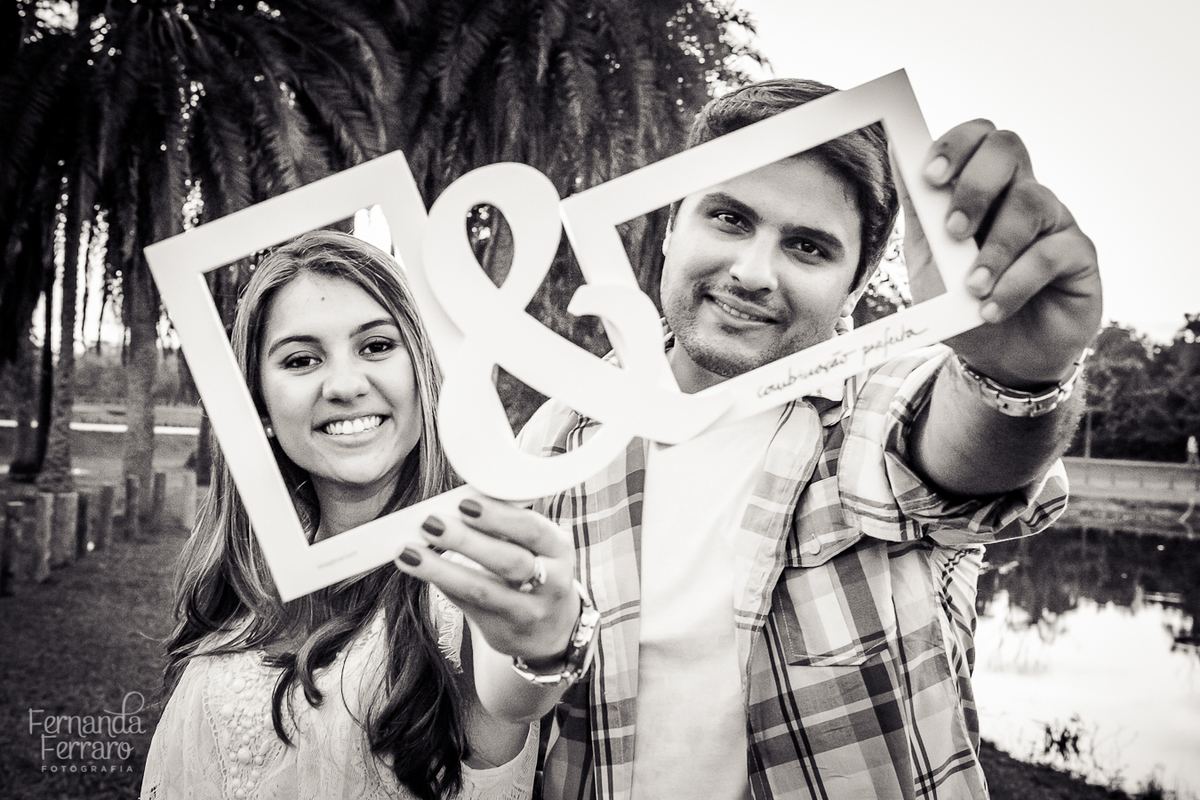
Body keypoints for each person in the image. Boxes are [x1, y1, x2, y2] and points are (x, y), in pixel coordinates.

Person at [394, 78, 1102, 799]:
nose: (753, 273)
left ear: (855, 288)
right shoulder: (559, 435)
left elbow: (967, 452)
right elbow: (500, 725)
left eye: (807, 246)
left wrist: (1015, 375)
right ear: (672, 224)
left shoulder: (873, 400)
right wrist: (530, 657)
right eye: (730, 218)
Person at [141, 231, 578, 800]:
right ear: (261, 406)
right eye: (301, 359)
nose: (345, 385)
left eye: (376, 346)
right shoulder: (240, 595)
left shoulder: (467, 584)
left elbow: (513, 691)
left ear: (424, 372)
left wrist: (539, 648)